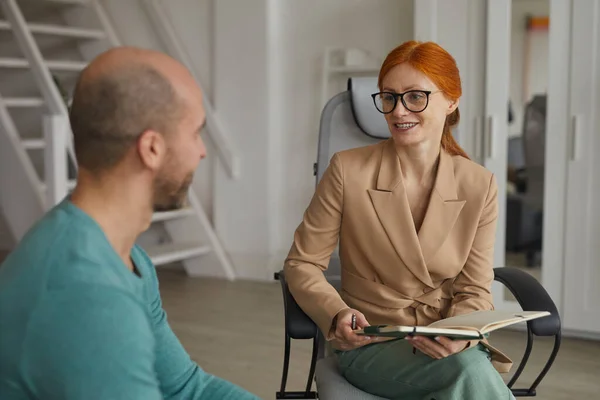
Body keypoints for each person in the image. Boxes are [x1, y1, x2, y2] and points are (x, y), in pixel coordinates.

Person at [0, 47, 260, 400]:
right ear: (151, 148)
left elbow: (186, 388)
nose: (202, 151)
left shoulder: (127, 258)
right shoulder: (86, 294)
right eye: (196, 133)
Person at [284, 40, 515, 399]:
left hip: (445, 343)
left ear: (451, 101)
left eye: (415, 97)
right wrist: (336, 315)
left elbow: (474, 290)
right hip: (372, 343)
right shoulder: (348, 170)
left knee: (467, 367)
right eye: (389, 97)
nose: (398, 110)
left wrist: (459, 337)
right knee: (470, 374)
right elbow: (302, 263)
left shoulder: (479, 184)